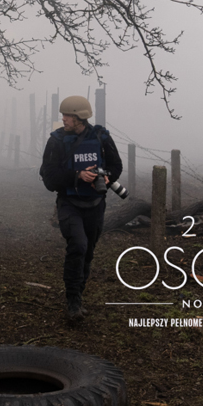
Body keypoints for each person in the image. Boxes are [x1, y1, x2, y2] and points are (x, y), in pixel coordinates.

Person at [39, 95, 123, 321]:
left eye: (68, 115)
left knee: (88, 252)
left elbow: (116, 166)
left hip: (95, 204)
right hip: (69, 203)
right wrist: (76, 175)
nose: (63, 119)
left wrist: (107, 178)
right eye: (63, 115)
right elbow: (49, 178)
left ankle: (79, 293)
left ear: (80, 118)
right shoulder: (56, 141)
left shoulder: (101, 137)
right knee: (78, 245)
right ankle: (73, 300)